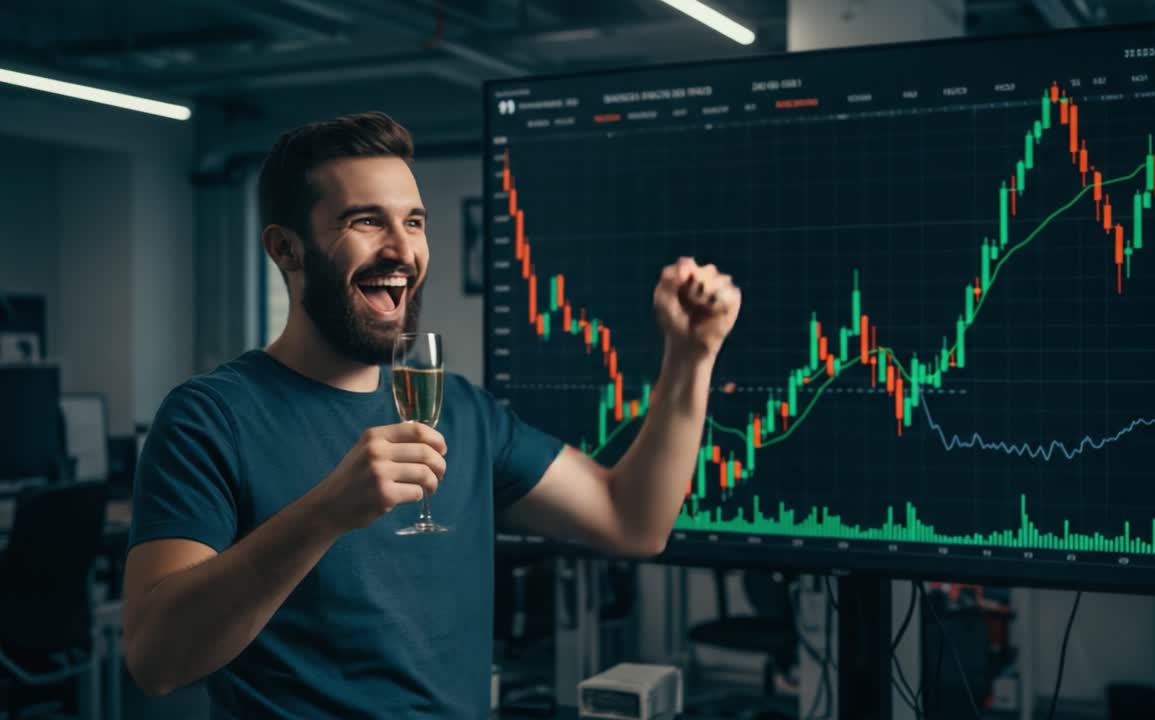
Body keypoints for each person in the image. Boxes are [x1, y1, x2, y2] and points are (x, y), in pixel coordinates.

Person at [121, 112, 742, 718]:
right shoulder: (208, 418)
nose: (401, 250)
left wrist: (691, 356)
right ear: (287, 249)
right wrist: (325, 514)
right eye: (366, 221)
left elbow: (632, 520)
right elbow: (156, 660)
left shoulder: (463, 413)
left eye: (413, 222)